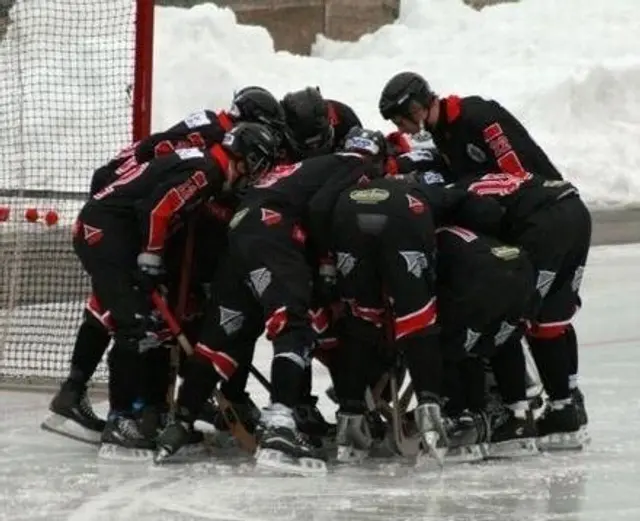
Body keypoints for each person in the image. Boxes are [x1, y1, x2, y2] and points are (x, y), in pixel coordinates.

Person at [41, 87, 284, 444]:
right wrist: (151, 256)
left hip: (119, 219)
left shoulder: (210, 138)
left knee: (142, 319)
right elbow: (158, 207)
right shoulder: (209, 161)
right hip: (109, 225)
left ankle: (141, 408)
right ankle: (120, 416)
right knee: (134, 323)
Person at [154, 128, 386, 474]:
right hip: (275, 233)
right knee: (293, 325)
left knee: (222, 338)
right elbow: (323, 206)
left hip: (241, 232)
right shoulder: (360, 166)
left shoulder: (308, 166)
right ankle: (280, 428)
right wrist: (325, 261)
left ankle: (180, 422)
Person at [378, 71, 588, 430]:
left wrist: (495, 209)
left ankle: (526, 403)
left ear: (416, 108)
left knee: (514, 310)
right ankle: (562, 399)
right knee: (545, 314)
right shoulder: (443, 132)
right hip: (537, 211)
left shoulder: (476, 116)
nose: (405, 130)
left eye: (401, 120)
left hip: (535, 215)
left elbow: (515, 172)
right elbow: (444, 166)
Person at [451, 171, 591, 450]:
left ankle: (517, 417)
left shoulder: (452, 201)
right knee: (551, 318)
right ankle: (566, 407)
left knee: (509, 315)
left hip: (545, 222)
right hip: (575, 209)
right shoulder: (470, 182)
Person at [280, 87, 362, 162]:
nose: (314, 148)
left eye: (317, 143)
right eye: (310, 146)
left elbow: (360, 156)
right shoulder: (277, 133)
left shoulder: (345, 117)